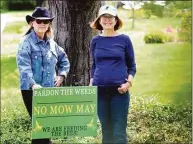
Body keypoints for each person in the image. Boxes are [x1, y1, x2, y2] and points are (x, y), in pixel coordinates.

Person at [16, 7, 70, 144]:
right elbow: (24, 67)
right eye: (39, 21)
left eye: (46, 22)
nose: (42, 24)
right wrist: (33, 84)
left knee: (44, 128)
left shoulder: (52, 44)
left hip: (49, 90)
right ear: (32, 23)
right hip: (31, 91)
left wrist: (61, 76)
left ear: (49, 24)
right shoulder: (25, 43)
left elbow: (64, 60)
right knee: (41, 127)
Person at [89, 5, 136, 144]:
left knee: (119, 131)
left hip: (119, 92)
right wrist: (92, 81)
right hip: (100, 91)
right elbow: (94, 65)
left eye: (111, 17)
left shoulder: (124, 39)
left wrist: (128, 83)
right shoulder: (95, 41)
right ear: (99, 20)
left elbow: (132, 66)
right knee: (106, 130)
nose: (107, 20)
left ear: (116, 20)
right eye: (104, 17)